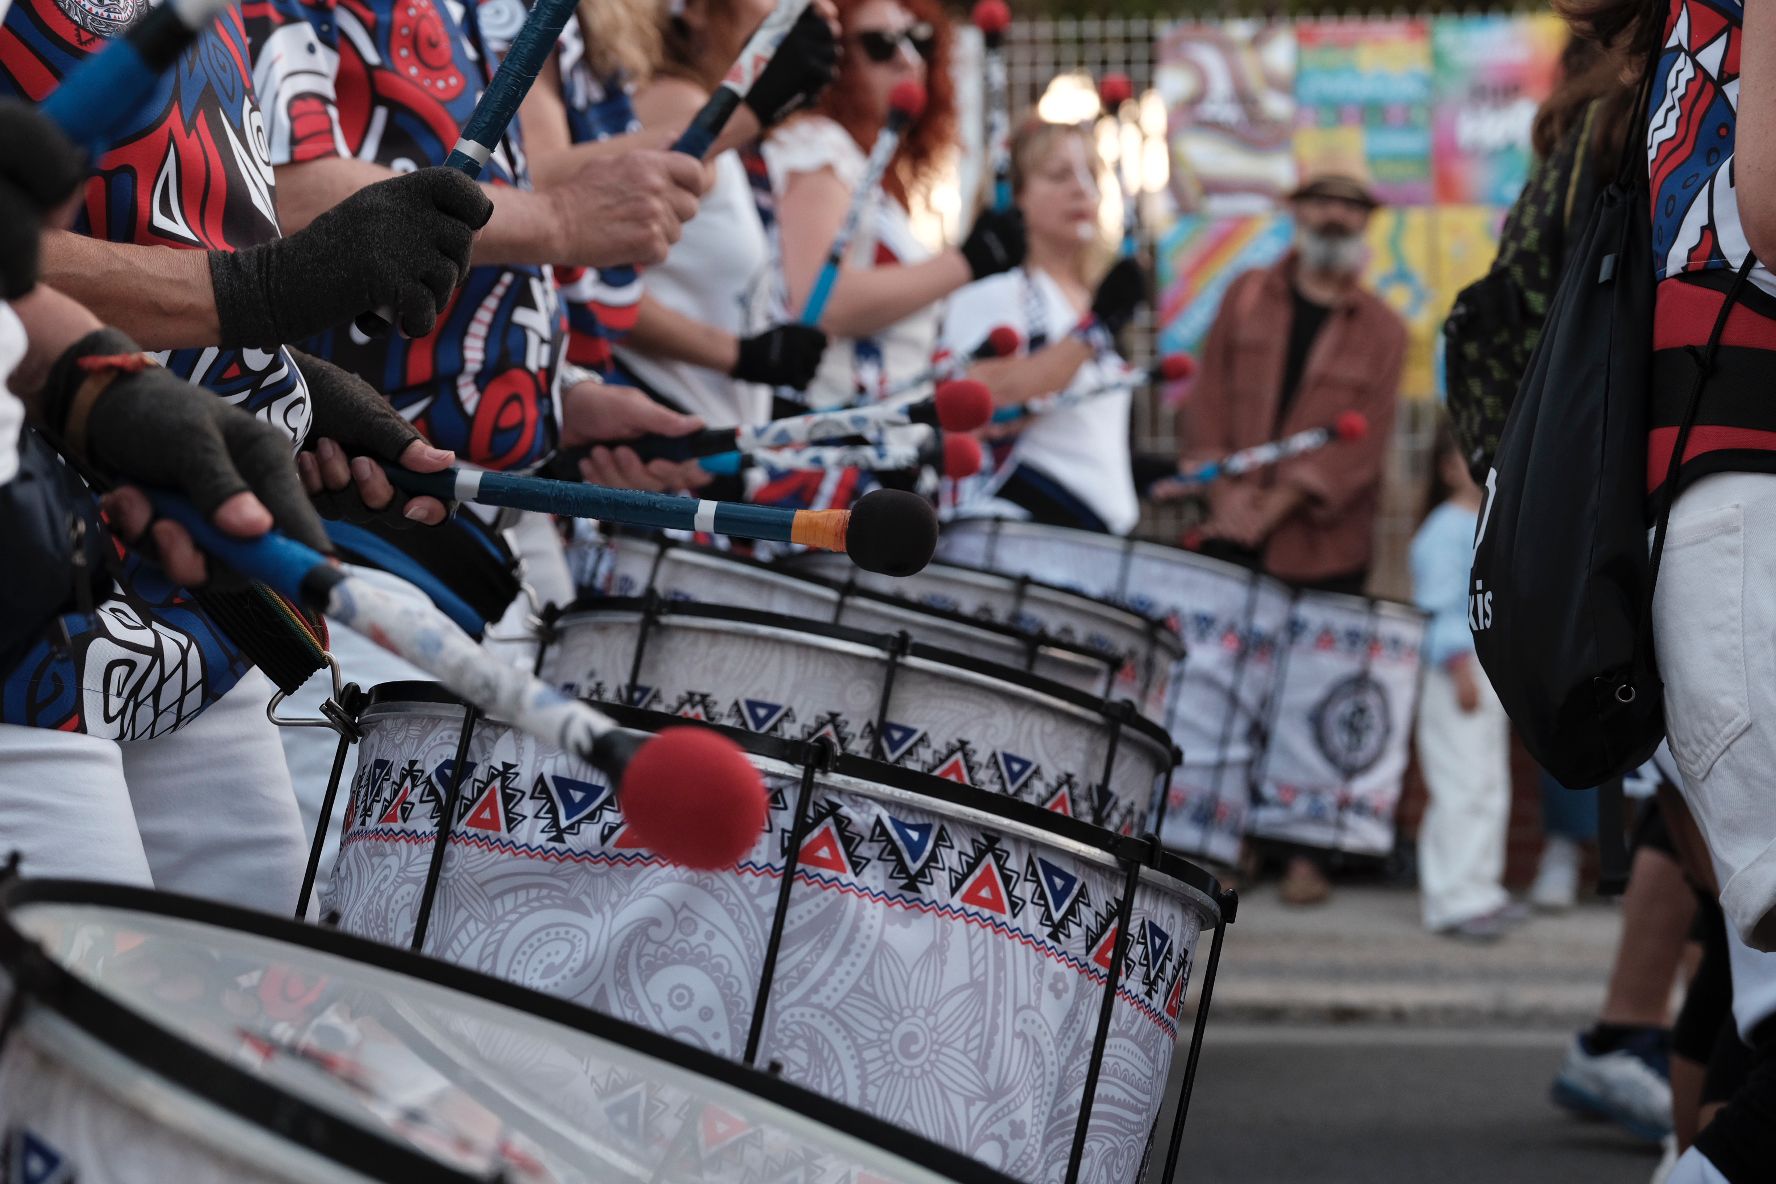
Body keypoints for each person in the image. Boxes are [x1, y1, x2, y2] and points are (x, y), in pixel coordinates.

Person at [1183, 149, 1405, 906]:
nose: (1335, 218)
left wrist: (1269, 506)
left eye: (1351, 207)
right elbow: (1205, 400)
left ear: (1365, 225)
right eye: (1322, 203)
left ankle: (1306, 851)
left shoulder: (1384, 330)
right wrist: (1223, 495)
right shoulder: (1246, 296)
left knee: (1310, 693)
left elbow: (1362, 447)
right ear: (1297, 213)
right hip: (1231, 530)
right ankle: (1227, 840)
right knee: (1226, 693)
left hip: (1320, 543)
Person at [766, 0, 1024, 413]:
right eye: (880, 45)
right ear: (835, 57)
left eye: (917, 39)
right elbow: (820, 301)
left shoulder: (868, 173)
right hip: (828, 446)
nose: (907, 60)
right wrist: (966, 263)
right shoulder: (818, 148)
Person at [939, 118, 1146, 535]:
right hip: (1022, 535)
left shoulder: (1085, 295)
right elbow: (981, 397)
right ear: (1015, 195)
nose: (1081, 188)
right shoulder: (997, 291)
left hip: (1088, 540)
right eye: (1059, 175)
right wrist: (1094, 332)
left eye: (1090, 172)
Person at [1411, 422, 1518, 941]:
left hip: (1485, 668)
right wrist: (1459, 669)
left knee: (1488, 783)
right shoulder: (1443, 529)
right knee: (1460, 784)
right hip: (1457, 672)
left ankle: (1482, 888)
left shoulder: (1487, 522)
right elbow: (1437, 607)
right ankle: (1453, 897)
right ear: (1447, 467)